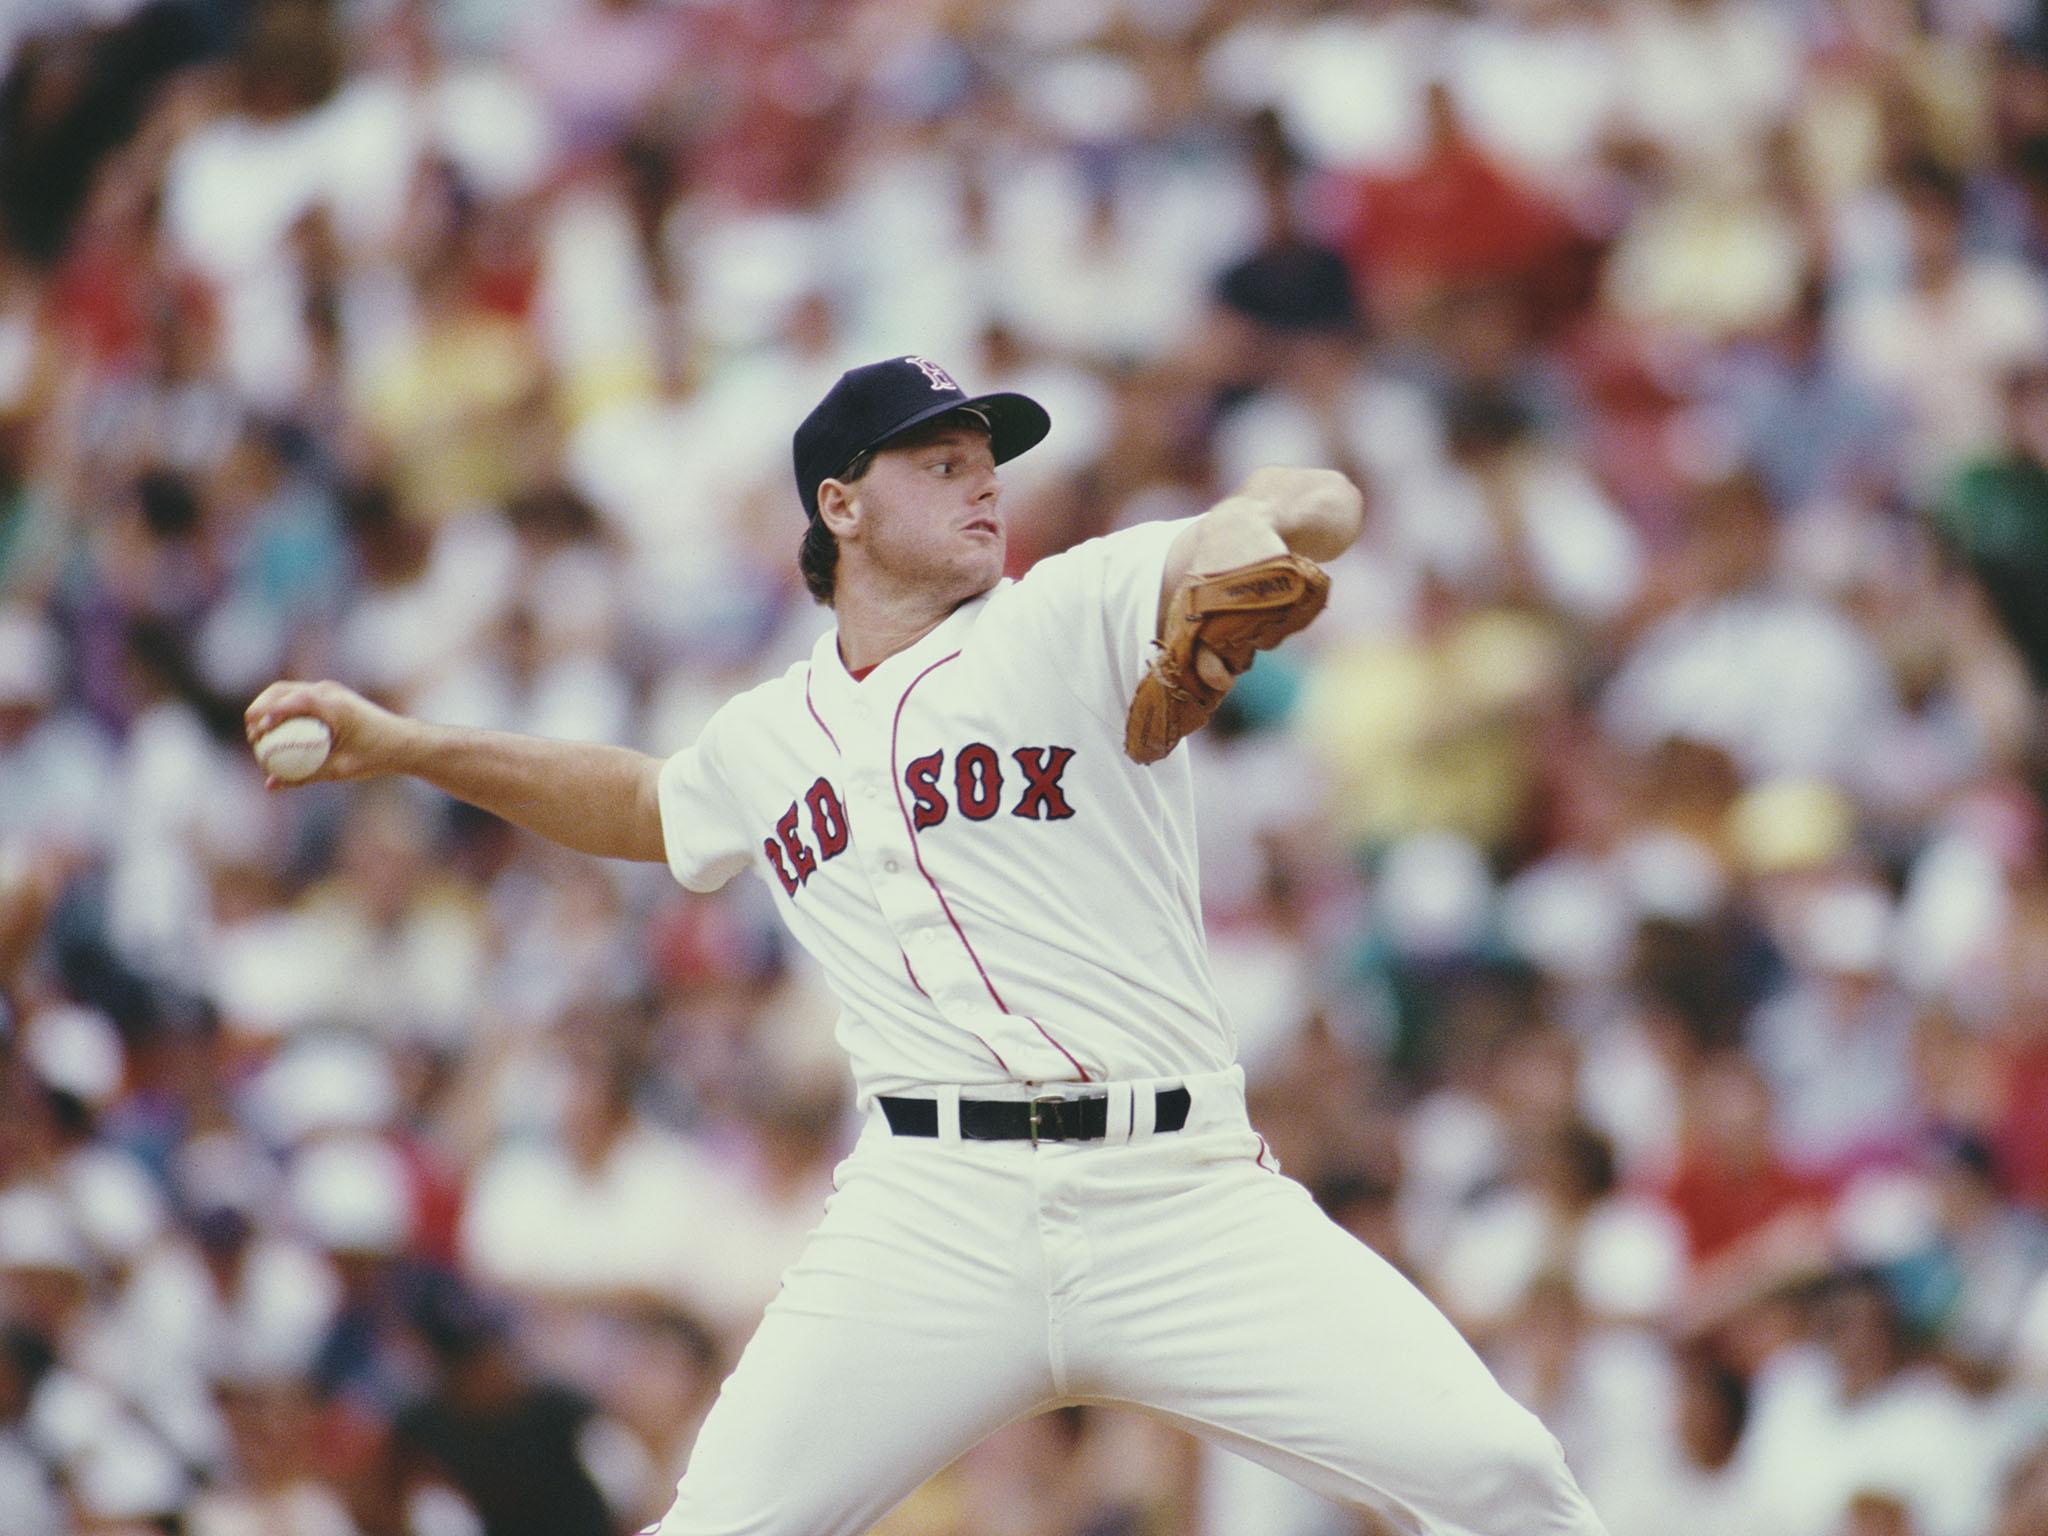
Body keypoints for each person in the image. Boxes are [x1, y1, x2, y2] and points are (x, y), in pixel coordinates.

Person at [246, 355, 1611, 1536]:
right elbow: (646, 803)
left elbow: (1322, 504)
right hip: (934, 1211)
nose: (984, 486)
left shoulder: (1067, 613)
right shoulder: (767, 735)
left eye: (989, 461)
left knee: (1500, 1475)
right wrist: (408, 745)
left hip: (1178, 1194)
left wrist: (1244, 541)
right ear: (839, 507)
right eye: (941, 462)